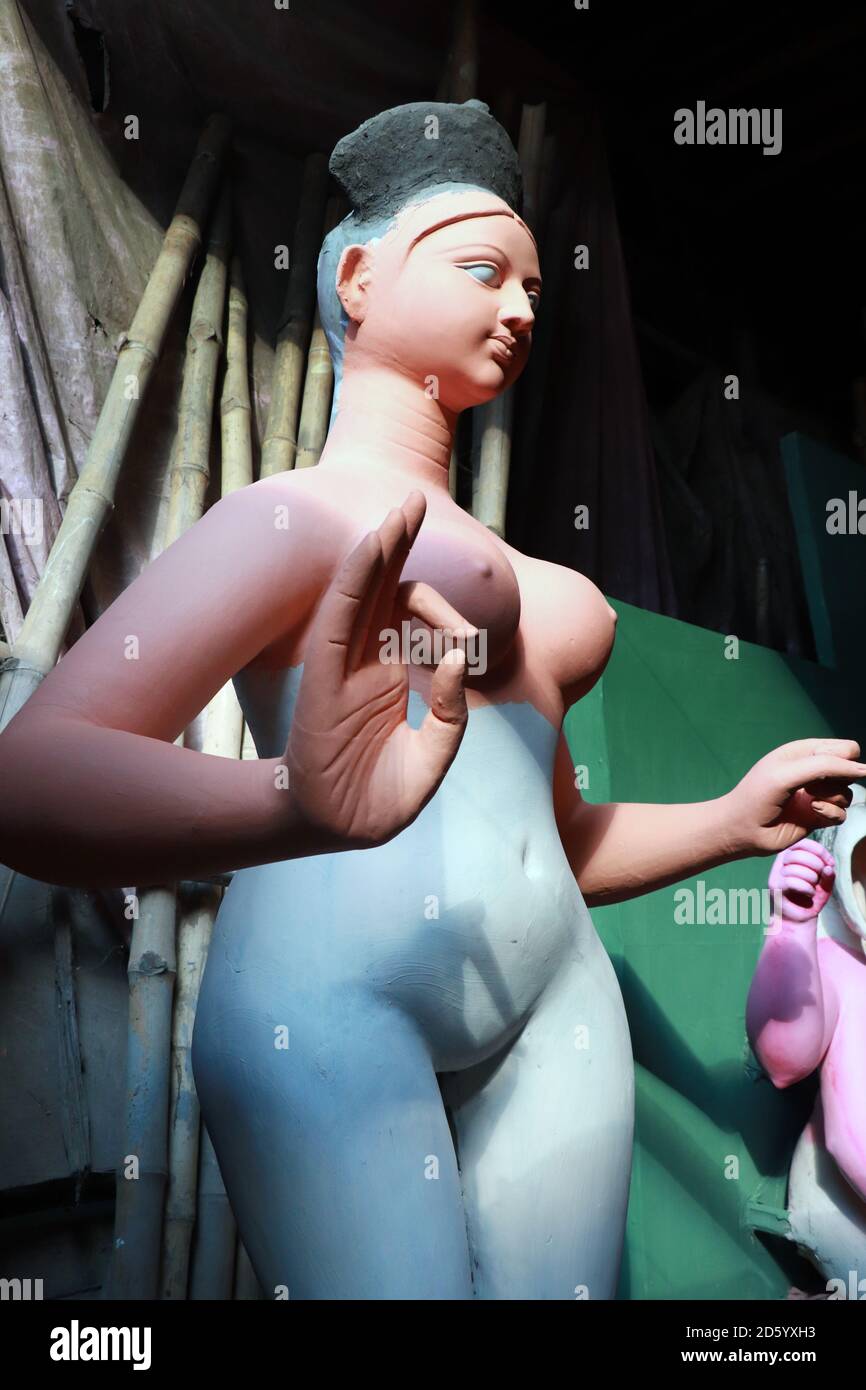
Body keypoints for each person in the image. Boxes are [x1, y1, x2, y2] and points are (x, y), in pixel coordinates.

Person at [1, 103, 862, 1299]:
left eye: (529, 287)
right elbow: (33, 777)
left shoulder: (556, 599)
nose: (517, 307)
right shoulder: (294, 517)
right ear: (357, 277)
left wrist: (729, 818)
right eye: (480, 270)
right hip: (326, 999)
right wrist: (294, 804)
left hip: (555, 995)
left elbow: (554, 841)